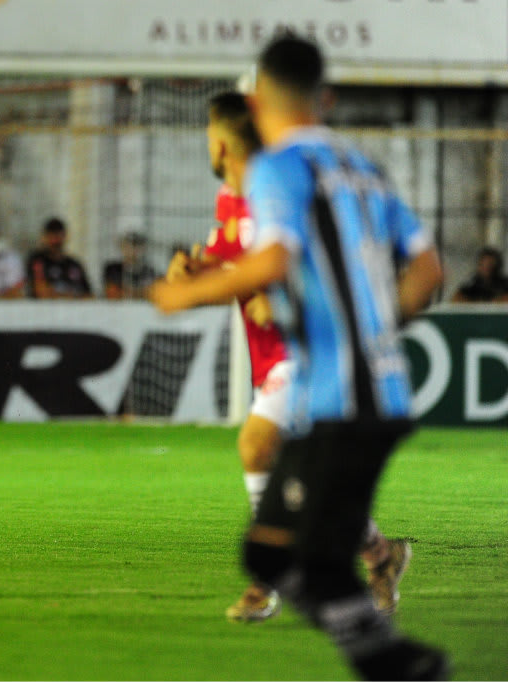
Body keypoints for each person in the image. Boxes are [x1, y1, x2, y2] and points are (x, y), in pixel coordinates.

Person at [149, 37, 447, 679]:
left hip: (340, 396)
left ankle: (404, 665)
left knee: (296, 550)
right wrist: (371, 328)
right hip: (376, 394)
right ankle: (395, 642)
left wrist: (185, 294)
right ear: (327, 98)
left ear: (255, 104)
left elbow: (275, 261)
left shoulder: (275, 170)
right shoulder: (361, 166)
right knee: (282, 549)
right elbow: (427, 269)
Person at [167, 91, 411, 623]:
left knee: (255, 447)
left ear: (224, 142)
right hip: (270, 356)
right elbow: (226, 258)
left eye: (210, 136)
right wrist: (193, 271)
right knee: (311, 489)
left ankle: (266, 581)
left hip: (309, 352)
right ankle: (381, 554)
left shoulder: (281, 189)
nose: (207, 145)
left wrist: (270, 294)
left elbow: (314, 265)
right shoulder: (231, 202)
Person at [26, 217, 92, 299]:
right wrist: (70, 296)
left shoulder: (75, 264)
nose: (55, 241)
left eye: (58, 236)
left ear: (65, 237)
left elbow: (89, 295)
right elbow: (41, 291)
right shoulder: (38, 260)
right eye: (52, 237)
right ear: (45, 238)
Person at [103, 232, 158, 299]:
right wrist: (140, 292)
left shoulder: (148, 270)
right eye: (128, 246)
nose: (132, 250)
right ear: (122, 247)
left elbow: (152, 292)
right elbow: (112, 291)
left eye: (135, 246)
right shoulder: (112, 269)